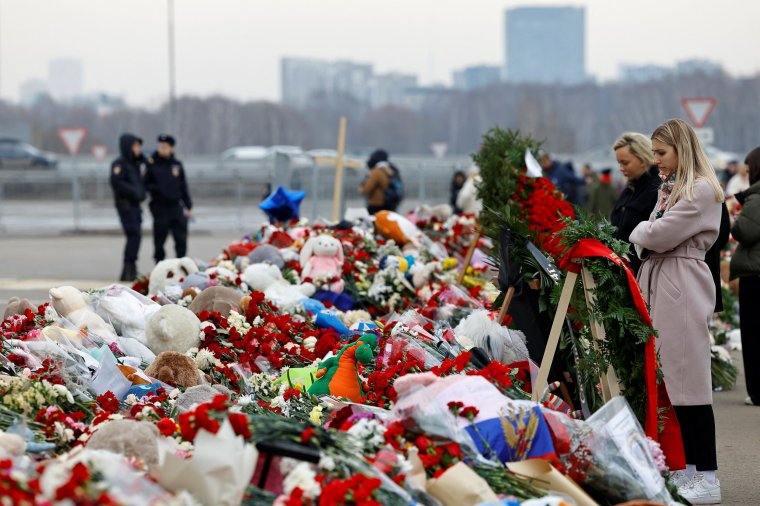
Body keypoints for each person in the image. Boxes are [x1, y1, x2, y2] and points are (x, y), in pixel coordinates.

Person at [630, 118, 724, 503]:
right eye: (654, 153)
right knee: (677, 382)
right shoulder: (675, 187)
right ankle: (690, 471)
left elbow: (659, 234)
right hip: (669, 279)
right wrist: (649, 234)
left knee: (690, 383)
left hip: (681, 282)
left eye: (662, 153)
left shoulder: (699, 189)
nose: (657, 161)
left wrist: (641, 231)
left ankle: (708, 477)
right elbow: (657, 234)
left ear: (682, 149)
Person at [729, 146, 760, 407]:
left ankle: (757, 390)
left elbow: (745, 231)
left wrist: (735, 219)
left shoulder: (758, 197)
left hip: (755, 273)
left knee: (753, 334)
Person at [610, 132, 661, 276]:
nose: (621, 168)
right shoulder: (630, 188)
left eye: (625, 162)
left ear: (642, 158)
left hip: (643, 273)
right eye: (619, 163)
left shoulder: (657, 188)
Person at [144, 134, 192, 262]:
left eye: (165, 147)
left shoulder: (176, 164)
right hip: (159, 207)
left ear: (172, 148)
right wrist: (157, 190)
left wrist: (188, 205)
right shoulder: (152, 163)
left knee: (181, 238)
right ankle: (159, 265)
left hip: (175, 206)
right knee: (159, 239)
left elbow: (183, 186)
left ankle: (181, 265)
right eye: (160, 147)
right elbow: (145, 184)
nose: (162, 149)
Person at [110, 133, 146, 282]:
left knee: (136, 237)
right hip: (125, 206)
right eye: (136, 146)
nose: (138, 149)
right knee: (133, 235)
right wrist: (135, 192)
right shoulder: (120, 164)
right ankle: (128, 268)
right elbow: (116, 183)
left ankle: (131, 267)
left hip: (135, 206)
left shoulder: (135, 164)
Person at [359, 149, 396, 215]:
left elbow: (366, 189)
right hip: (388, 205)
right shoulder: (389, 170)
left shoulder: (376, 172)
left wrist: (361, 187)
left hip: (376, 205)